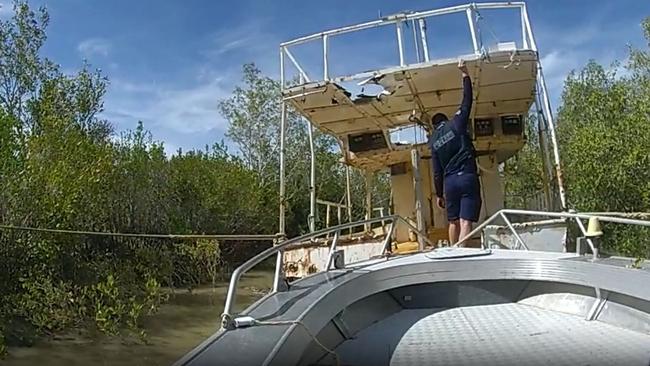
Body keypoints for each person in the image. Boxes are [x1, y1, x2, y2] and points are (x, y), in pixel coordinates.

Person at [429, 59, 481, 245]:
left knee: (453, 222)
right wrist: (465, 74)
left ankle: (453, 253)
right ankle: (462, 254)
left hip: (449, 183)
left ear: (434, 126)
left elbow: (437, 172)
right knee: (465, 221)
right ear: (445, 120)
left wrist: (439, 195)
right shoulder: (456, 124)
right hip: (467, 177)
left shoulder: (433, 141)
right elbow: (467, 101)